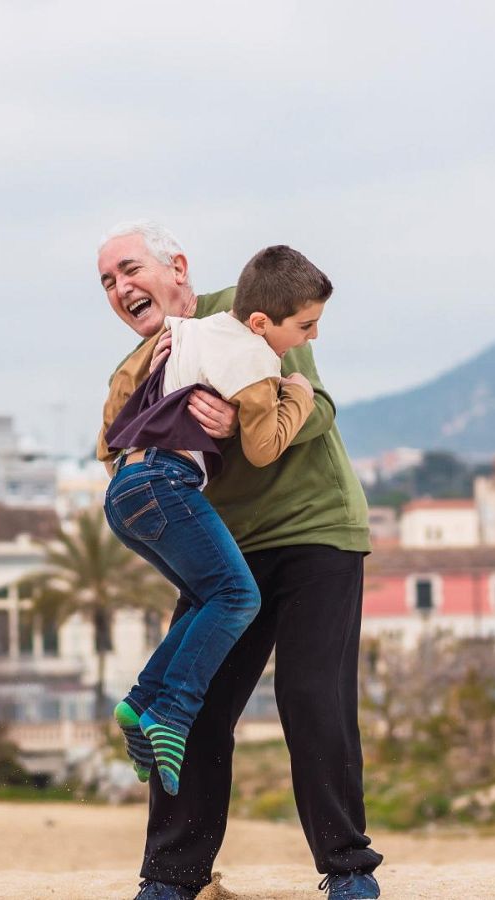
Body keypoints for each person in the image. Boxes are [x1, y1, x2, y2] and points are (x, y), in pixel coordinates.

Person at [95, 222, 383, 900]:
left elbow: (320, 408)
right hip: (229, 550)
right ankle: (170, 879)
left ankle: (347, 871)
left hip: (317, 530)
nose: (121, 288)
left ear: (177, 269)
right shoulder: (143, 363)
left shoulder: (252, 306)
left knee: (313, 699)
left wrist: (243, 421)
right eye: (107, 282)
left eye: (130, 269)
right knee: (194, 702)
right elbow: (115, 444)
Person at [99, 245, 326, 797]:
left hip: (126, 490)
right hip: (164, 482)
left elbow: (110, 431)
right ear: (260, 322)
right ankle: (170, 715)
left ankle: (139, 702)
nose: (311, 339)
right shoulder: (255, 360)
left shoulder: (187, 332)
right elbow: (266, 446)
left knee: (209, 598)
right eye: (306, 326)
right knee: (238, 598)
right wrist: (293, 393)